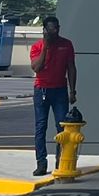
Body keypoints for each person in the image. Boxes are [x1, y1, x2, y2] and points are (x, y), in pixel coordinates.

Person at [30, 16, 76, 177]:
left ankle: (60, 161)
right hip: (41, 90)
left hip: (60, 90)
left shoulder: (66, 44)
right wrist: (46, 47)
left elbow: (71, 67)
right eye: (50, 29)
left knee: (62, 127)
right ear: (44, 30)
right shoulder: (37, 46)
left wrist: (72, 91)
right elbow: (37, 68)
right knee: (40, 127)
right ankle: (41, 163)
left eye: (56, 28)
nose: (54, 31)